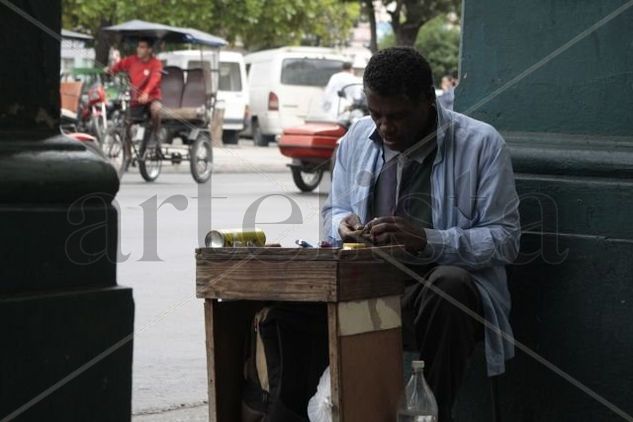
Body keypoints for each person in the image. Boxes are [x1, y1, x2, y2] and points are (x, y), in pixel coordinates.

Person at [322, 47, 520, 421]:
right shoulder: (356, 139)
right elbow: (333, 211)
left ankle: (433, 413)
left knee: (450, 285)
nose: (384, 127)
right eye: (375, 114)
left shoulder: (481, 144)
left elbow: (506, 239)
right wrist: (342, 224)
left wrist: (429, 240)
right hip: (371, 286)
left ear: (429, 101)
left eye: (397, 116)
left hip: (443, 296)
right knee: (287, 308)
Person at [107, 37, 163, 136]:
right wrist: (109, 70)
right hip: (136, 100)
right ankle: (127, 150)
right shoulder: (131, 60)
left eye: (142, 47)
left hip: (151, 98)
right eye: (138, 46)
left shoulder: (156, 63)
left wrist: (146, 93)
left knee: (156, 109)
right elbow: (118, 67)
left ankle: (156, 135)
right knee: (125, 124)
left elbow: (155, 78)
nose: (138, 49)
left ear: (149, 50)